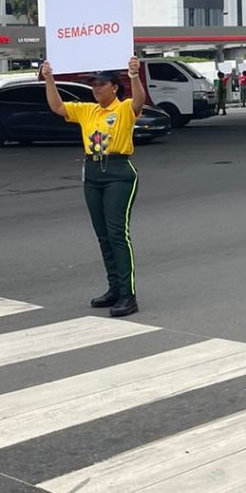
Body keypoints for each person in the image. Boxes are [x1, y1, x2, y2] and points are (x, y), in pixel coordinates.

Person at [41, 57, 145, 317]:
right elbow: (57, 107)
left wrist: (134, 75)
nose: (96, 89)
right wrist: (49, 78)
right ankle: (114, 288)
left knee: (117, 233)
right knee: (102, 235)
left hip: (118, 171)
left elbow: (139, 101)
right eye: (94, 84)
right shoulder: (88, 110)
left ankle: (127, 295)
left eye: (101, 84)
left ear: (115, 87)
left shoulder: (123, 109)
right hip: (93, 172)